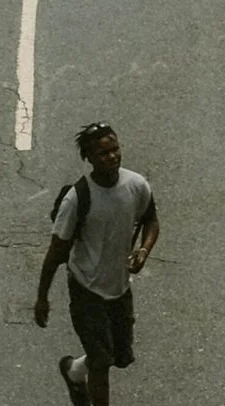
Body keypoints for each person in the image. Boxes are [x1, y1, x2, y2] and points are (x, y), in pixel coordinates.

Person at [34, 119, 159, 404]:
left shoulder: (136, 184)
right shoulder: (77, 199)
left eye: (114, 149)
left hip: (119, 287)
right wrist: (42, 297)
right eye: (103, 153)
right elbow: (56, 251)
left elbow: (151, 219)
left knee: (118, 356)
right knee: (102, 363)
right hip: (86, 288)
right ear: (89, 158)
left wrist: (143, 250)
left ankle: (74, 371)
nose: (112, 156)